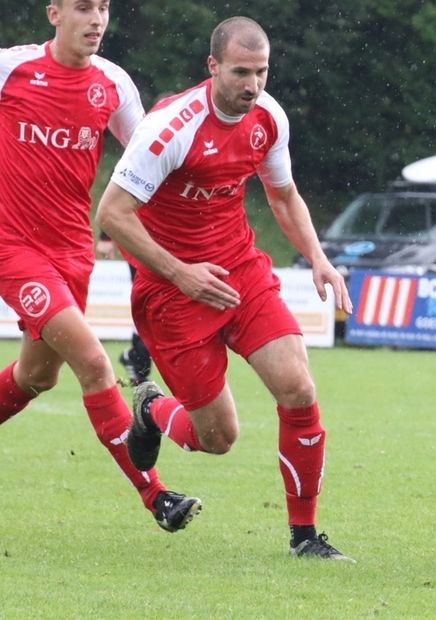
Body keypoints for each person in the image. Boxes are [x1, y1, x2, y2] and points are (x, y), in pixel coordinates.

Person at [95, 16, 355, 561]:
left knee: (299, 388)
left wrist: (318, 259)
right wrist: (181, 272)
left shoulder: (268, 117)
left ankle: (304, 536)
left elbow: (283, 198)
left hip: (240, 271)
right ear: (212, 67)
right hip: (171, 292)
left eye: (261, 72)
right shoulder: (170, 128)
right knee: (217, 438)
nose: (252, 85)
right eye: (241, 72)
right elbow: (114, 215)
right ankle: (152, 410)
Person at [0, 0, 200, 533]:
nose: (97, 19)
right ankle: (155, 496)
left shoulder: (113, 83)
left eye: (104, 8)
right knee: (93, 362)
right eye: (84, 7)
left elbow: (148, 160)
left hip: (73, 251)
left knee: (35, 376)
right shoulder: (11, 69)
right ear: (54, 14)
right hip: (14, 249)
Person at [95, 232, 152, 385]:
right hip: (143, 238)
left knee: (160, 310)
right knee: (148, 302)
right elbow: (115, 208)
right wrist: (106, 236)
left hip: (172, 240)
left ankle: (135, 357)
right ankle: (137, 359)